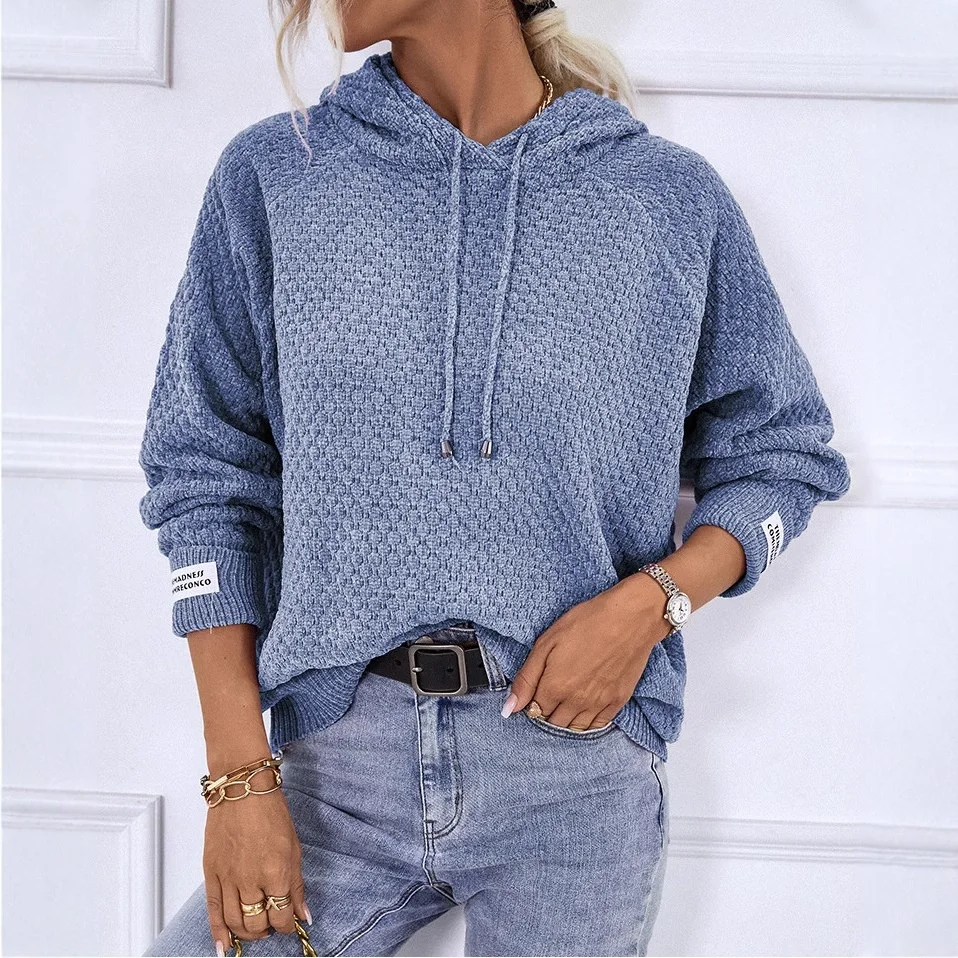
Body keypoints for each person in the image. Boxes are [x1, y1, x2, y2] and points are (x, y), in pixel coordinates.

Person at [136, 0, 852, 955]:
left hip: (576, 774)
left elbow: (785, 454)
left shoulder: (665, 199)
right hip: (333, 770)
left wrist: (655, 603)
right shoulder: (276, 177)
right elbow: (203, 476)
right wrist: (238, 780)